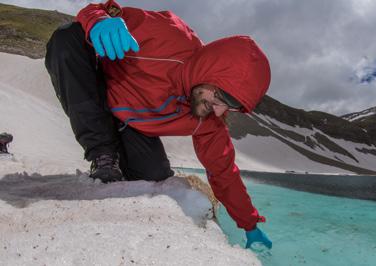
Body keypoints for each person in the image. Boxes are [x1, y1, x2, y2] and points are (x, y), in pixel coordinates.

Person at [45, 0, 272, 249]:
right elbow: (100, 9)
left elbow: (224, 172)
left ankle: (115, 152)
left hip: (128, 123)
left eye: (230, 107)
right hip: (98, 88)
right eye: (222, 98)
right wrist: (99, 21)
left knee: (155, 176)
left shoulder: (206, 120)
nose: (219, 110)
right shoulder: (168, 36)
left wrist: (250, 225)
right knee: (67, 38)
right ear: (210, 71)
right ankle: (103, 155)